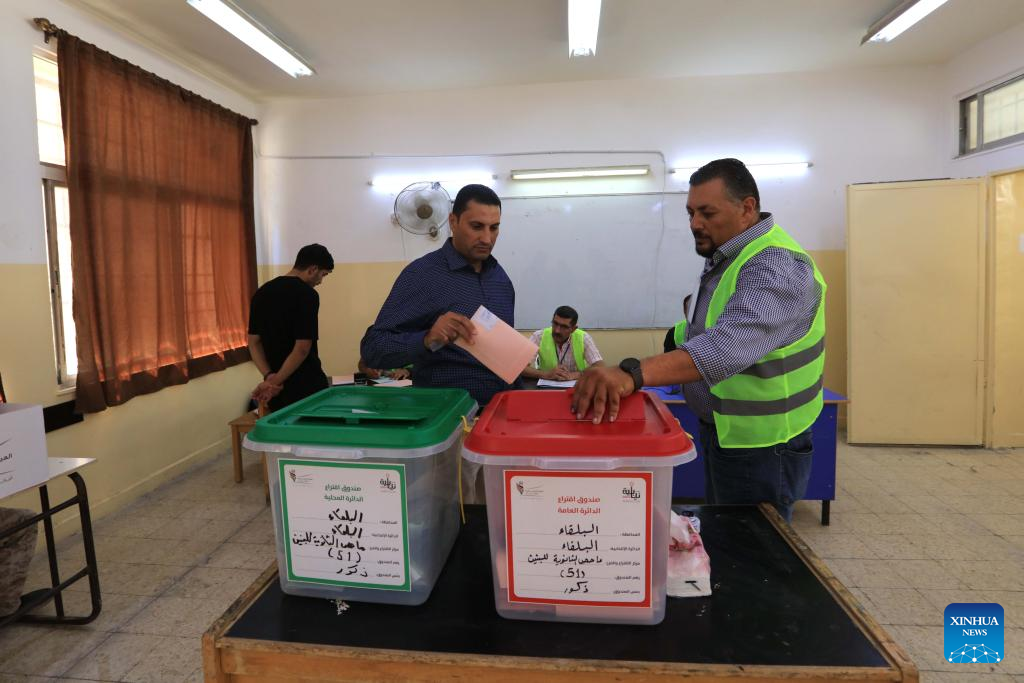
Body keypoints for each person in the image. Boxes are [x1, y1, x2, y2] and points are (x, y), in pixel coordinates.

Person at [573, 158, 825, 522]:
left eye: (707, 212)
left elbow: (723, 347)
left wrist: (632, 373)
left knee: (750, 556)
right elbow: (705, 325)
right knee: (727, 539)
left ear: (747, 208)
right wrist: (669, 344)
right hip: (729, 434)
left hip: (764, 447)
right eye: (690, 212)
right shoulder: (730, 255)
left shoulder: (775, 267)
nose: (694, 224)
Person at [360, 184, 514, 502]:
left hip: (497, 423)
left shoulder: (501, 280)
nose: (487, 238)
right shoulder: (423, 276)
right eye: (476, 226)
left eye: (494, 227)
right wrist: (427, 338)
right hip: (449, 423)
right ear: (453, 221)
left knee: (493, 517)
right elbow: (373, 347)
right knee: (452, 519)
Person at [248, 244, 334, 411]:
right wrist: (276, 381)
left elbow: (253, 342)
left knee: (283, 436)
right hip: (306, 387)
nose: (320, 282)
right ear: (313, 269)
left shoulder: (261, 293)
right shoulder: (307, 294)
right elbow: (302, 347)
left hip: (277, 393)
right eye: (323, 275)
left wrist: (269, 377)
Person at [522, 306, 604, 381]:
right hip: (546, 387)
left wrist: (577, 375)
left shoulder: (583, 338)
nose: (557, 330)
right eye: (555, 324)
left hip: (576, 387)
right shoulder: (539, 336)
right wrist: (546, 374)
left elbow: (600, 367)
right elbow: (520, 368)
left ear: (573, 329)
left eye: (564, 327)